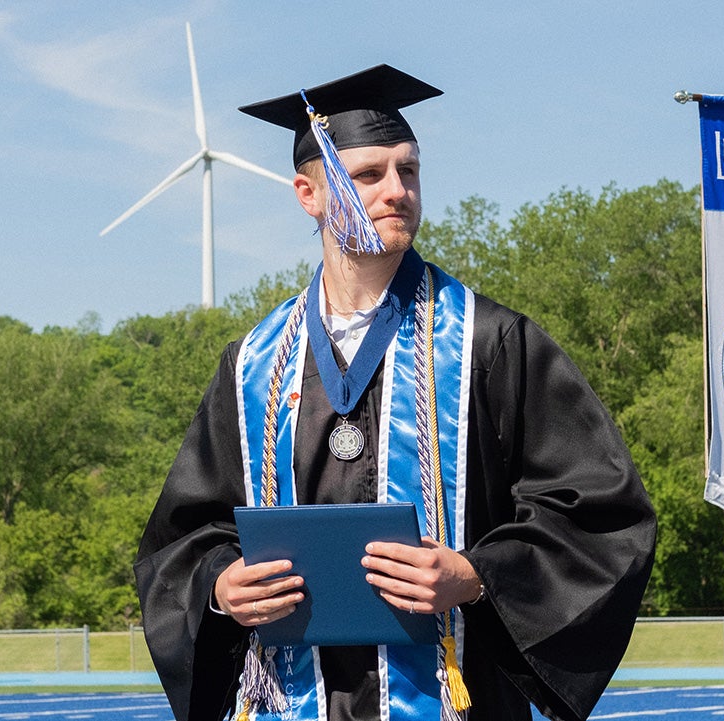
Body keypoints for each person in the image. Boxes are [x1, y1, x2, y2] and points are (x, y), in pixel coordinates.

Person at [134, 64, 656, 721]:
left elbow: (600, 514)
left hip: (454, 701)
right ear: (308, 194)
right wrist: (220, 587)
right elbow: (182, 539)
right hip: (294, 703)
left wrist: (477, 576)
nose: (397, 190)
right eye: (368, 175)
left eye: (408, 170)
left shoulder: (489, 345)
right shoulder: (254, 367)